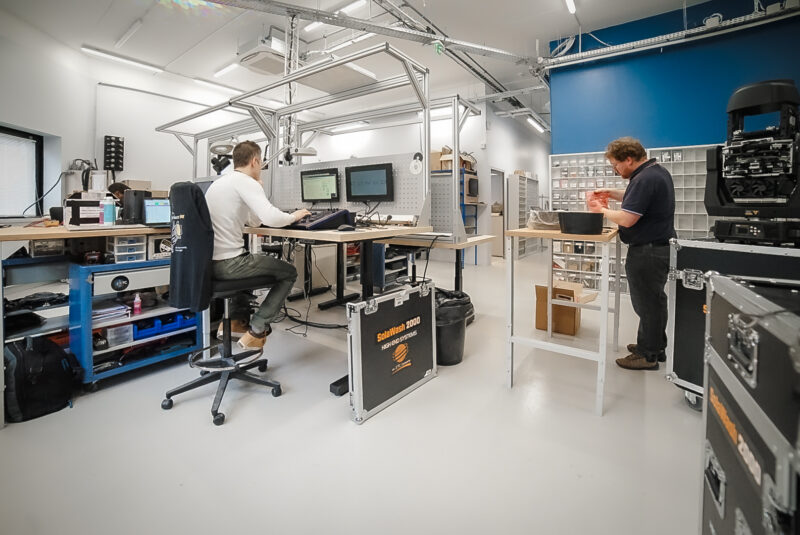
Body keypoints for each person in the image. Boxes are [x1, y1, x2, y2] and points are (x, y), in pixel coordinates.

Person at [205, 141, 311, 350]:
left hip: (211, 265)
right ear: (255, 161)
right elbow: (272, 218)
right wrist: (295, 215)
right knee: (289, 272)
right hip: (230, 265)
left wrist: (258, 188)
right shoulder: (245, 182)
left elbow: (254, 222)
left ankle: (235, 321)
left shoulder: (221, 183)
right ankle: (258, 327)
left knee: (249, 260)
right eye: (261, 162)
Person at [587, 137, 676, 370]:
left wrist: (601, 209)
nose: (615, 170)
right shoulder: (654, 172)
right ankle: (654, 346)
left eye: (615, 165)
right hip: (657, 248)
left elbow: (627, 219)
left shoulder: (645, 179)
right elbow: (635, 196)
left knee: (647, 305)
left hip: (648, 252)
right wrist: (610, 193)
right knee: (654, 301)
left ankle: (648, 356)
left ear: (628, 159)